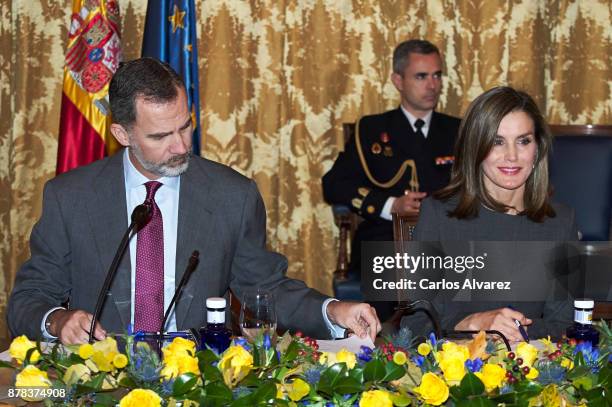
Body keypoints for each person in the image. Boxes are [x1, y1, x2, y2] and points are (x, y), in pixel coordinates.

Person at [8, 57, 381, 345]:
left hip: (196, 379)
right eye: (160, 136)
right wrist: (58, 320)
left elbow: (263, 287)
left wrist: (333, 309)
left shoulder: (232, 195)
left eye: (185, 126)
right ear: (122, 133)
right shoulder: (71, 197)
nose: (181, 146)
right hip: (98, 382)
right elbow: (30, 297)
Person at [403, 86, 577, 341]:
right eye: (497, 141)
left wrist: (520, 331)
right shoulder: (438, 215)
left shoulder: (561, 221)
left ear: (537, 148)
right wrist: (473, 323)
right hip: (454, 373)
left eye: (523, 141)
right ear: (475, 147)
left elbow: (566, 323)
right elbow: (415, 325)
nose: (512, 156)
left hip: (531, 372)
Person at [322, 39, 460, 318]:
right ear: (398, 80)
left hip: (446, 239)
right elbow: (334, 185)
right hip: (384, 240)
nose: (432, 85)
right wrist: (390, 206)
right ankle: (390, 353)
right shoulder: (371, 130)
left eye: (437, 75)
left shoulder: (458, 130)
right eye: (421, 76)